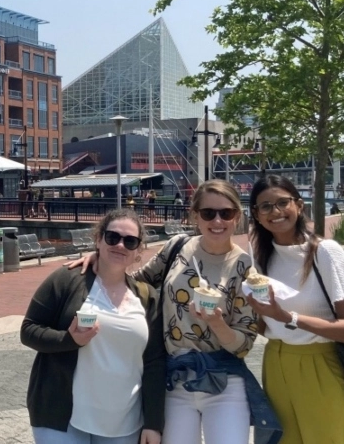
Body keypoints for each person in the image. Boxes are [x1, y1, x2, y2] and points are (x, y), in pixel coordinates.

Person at [67, 180, 279, 444]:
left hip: (224, 381)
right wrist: (100, 256)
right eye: (208, 213)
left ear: (237, 217)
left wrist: (217, 324)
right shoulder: (178, 247)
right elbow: (135, 282)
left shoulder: (246, 268)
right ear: (195, 216)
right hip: (174, 379)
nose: (217, 220)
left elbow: (243, 345)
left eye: (226, 213)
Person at [22, 208, 166, 444]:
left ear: (138, 250)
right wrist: (69, 340)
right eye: (112, 237)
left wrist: (153, 422)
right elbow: (28, 330)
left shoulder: (146, 297)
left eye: (130, 241)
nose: (120, 245)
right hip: (62, 417)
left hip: (123, 422)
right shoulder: (67, 279)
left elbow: (155, 363)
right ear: (98, 239)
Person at [244, 175, 344, 444]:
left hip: (321, 364)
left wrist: (289, 317)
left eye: (282, 203)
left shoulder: (325, 252)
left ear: (299, 205)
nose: (275, 212)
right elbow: (267, 327)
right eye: (265, 206)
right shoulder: (262, 259)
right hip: (276, 363)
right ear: (256, 214)